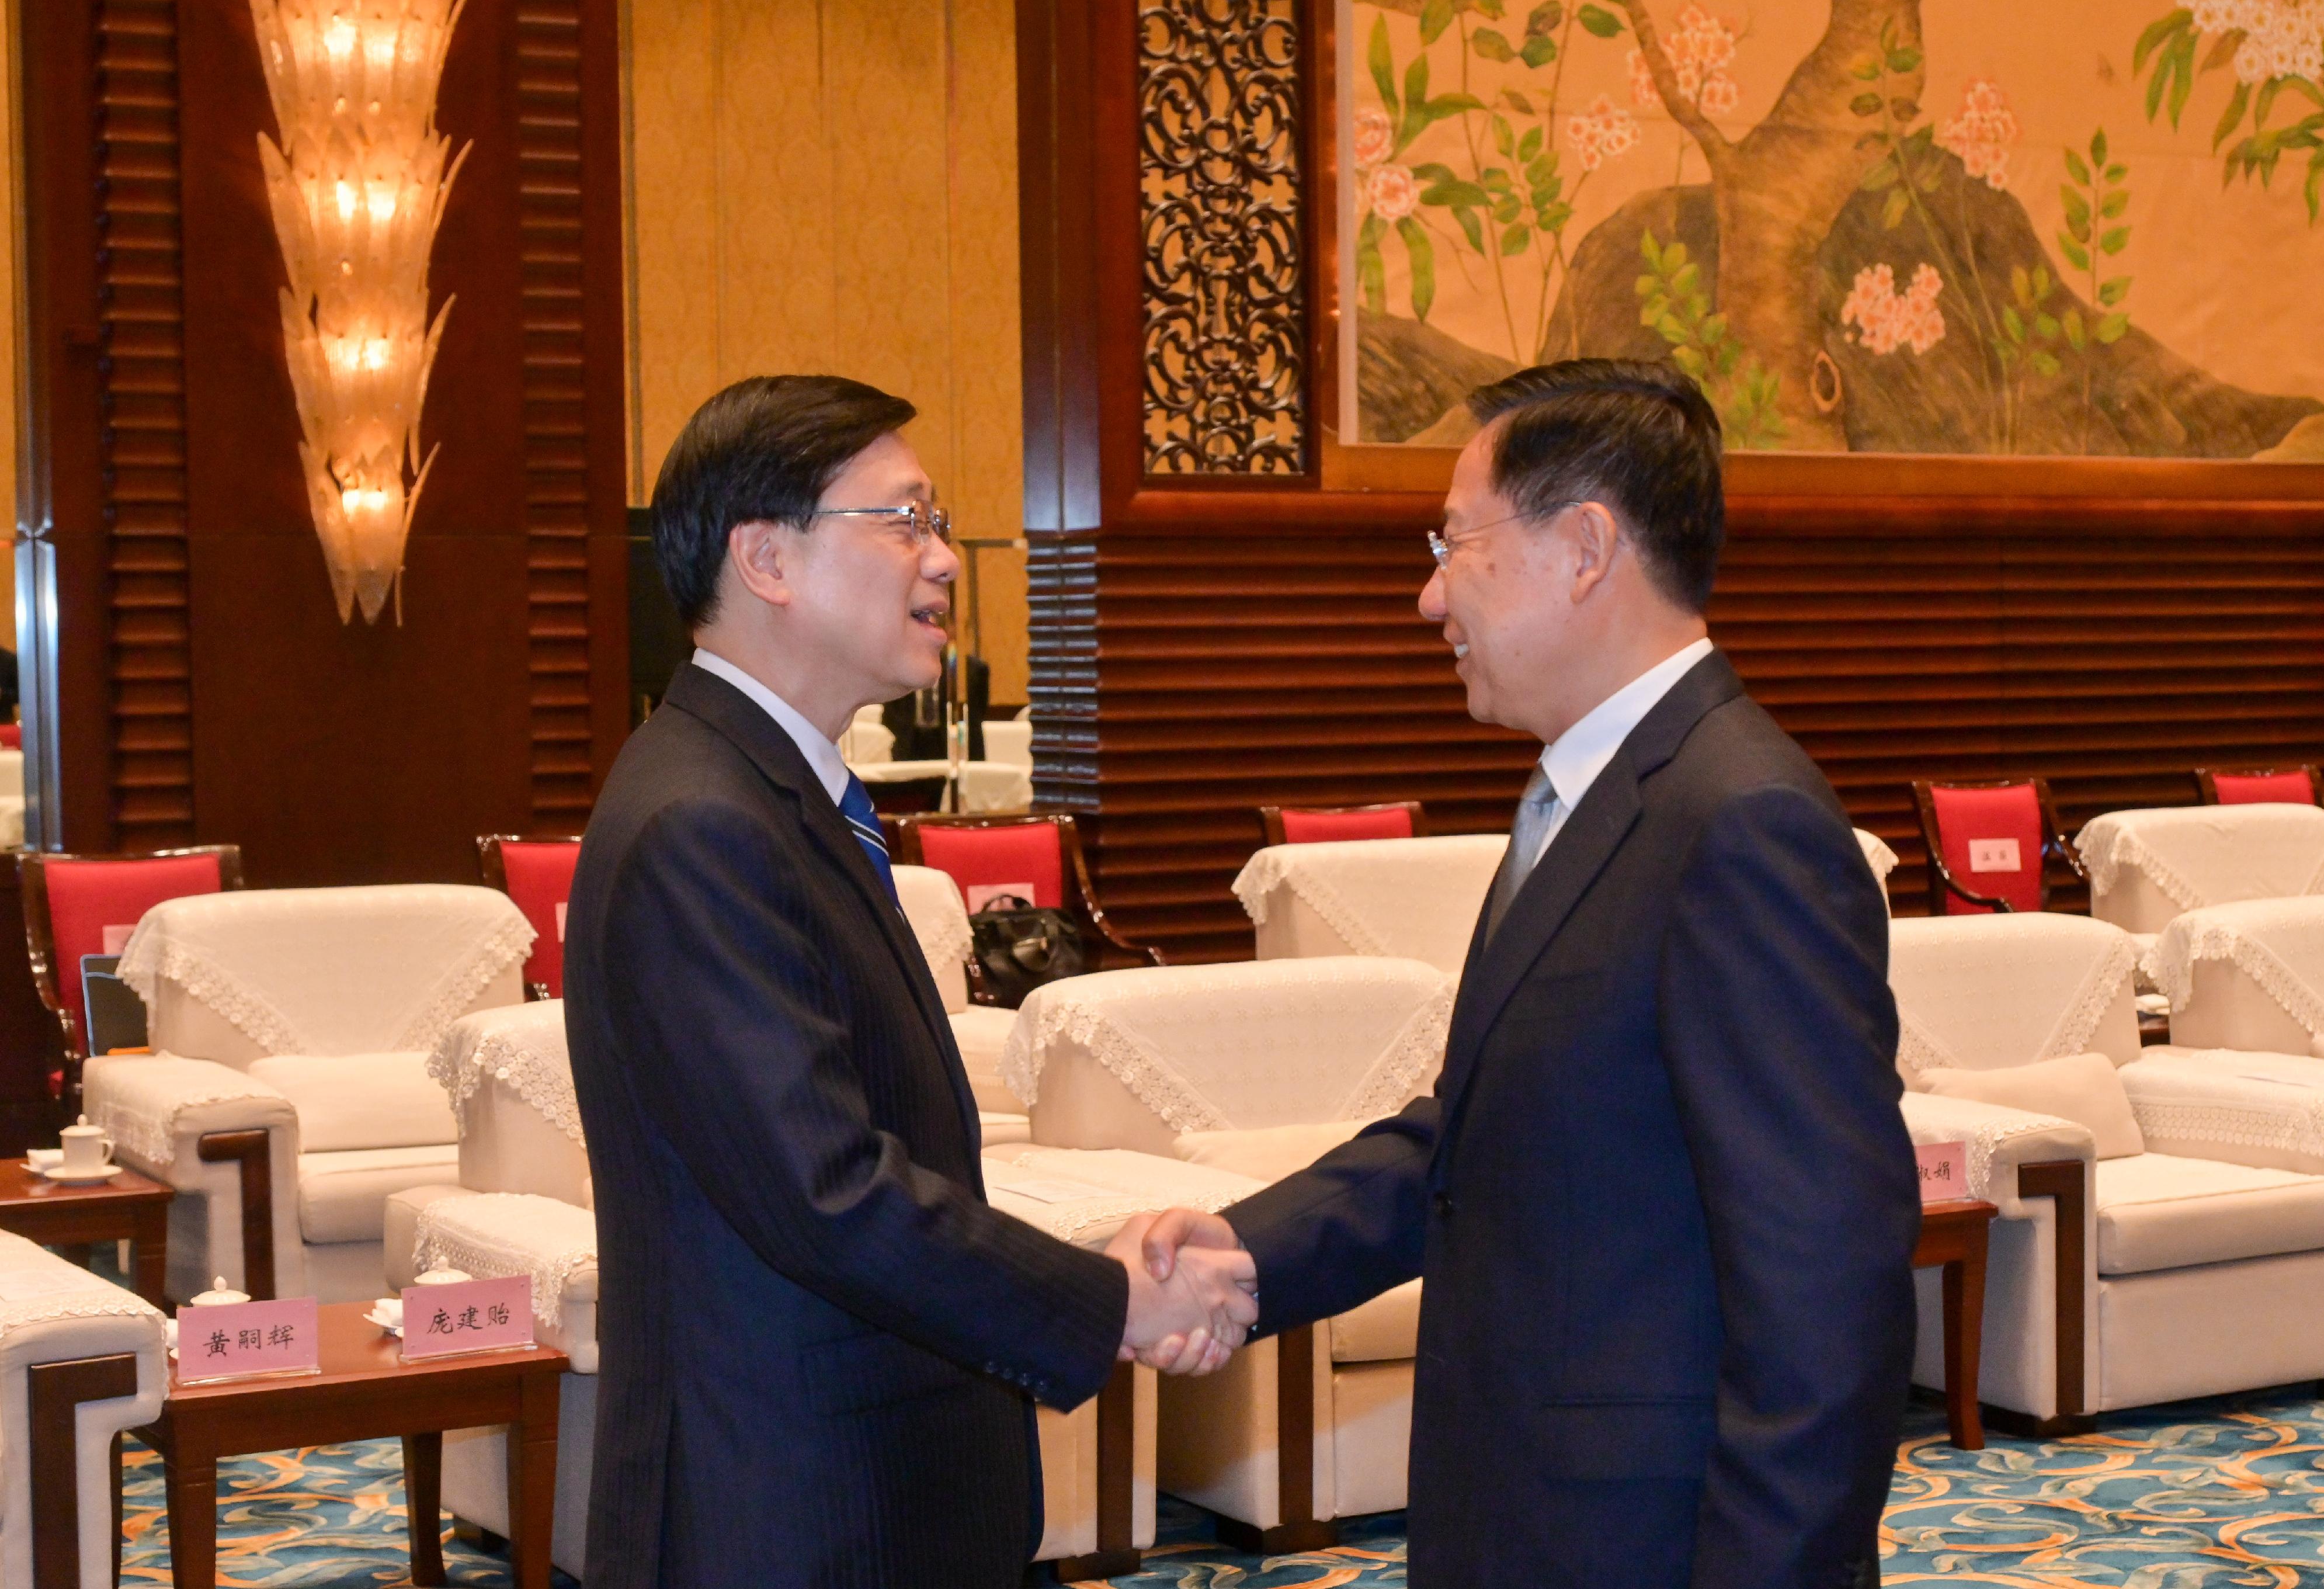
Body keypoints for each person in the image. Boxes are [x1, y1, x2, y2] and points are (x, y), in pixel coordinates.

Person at [1137, 360, 1919, 1588]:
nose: (1426, 593)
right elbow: (1487, 1133)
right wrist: (1249, 1250)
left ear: (1584, 547)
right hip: (1528, 1518)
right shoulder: (1586, 793)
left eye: (1453, 543)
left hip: (1654, 1544)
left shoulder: (1739, 821)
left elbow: (1823, 1286)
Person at [562, 374, 1257, 1589]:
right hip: (787, 1511)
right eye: (902, 520)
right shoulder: (701, 824)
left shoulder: (782, 797)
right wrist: (1106, 1302)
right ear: (766, 556)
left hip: (873, 1489)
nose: (940, 560)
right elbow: (825, 1190)